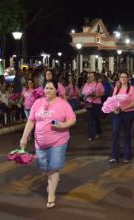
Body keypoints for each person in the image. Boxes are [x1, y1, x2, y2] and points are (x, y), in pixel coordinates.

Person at [20, 80, 76, 209]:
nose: (48, 90)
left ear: (56, 90)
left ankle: (51, 196)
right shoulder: (38, 103)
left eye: (51, 88)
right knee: (44, 168)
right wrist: (24, 137)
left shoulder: (63, 104)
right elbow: (31, 121)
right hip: (39, 142)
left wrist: (63, 125)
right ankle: (52, 178)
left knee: (53, 169)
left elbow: (72, 120)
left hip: (58, 141)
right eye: (46, 88)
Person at [109, 72, 134, 163]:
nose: (123, 78)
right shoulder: (116, 88)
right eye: (122, 77)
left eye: (125, 77)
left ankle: (127, 155)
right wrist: (114, 108)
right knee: (115, 132)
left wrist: (124, 108)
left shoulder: (132, 89)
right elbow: (113, 101)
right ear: (119, 78)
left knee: (126, 133)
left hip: (128, 113)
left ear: (128, 78)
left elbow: (133, 103)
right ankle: (114, 155)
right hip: (117, 113)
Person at [82, 72, 104, 141]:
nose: (91, 77)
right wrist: (88, 95)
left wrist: (96, 95)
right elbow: (84, 92)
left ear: (95, 76)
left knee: (96, 119)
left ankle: (98, 131)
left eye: (92, 76)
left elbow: (102, 93)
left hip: (97, 103)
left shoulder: (99, 84)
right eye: (89, 76)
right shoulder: (87, 84)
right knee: (90, 119)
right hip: (89, 103)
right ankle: (91, 135)